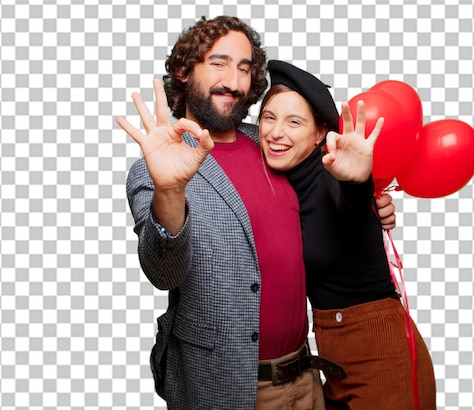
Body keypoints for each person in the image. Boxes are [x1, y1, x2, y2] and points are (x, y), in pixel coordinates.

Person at [116, 16, 396, 409]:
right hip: (226, 387)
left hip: (307, 378)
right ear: (183, 71)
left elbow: (330, 196)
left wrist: (368, 200)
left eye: (244, 68)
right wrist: (170, 189)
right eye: (219, 63)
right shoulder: (155, 167)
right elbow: (164, 272)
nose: (233, 80)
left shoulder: (270, 142)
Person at [257, 60, 436, 410]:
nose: (277, 133)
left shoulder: (331, 177)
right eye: (269, 118)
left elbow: (349, 206)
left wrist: (356, 183)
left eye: (294, 122)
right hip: (331, 357)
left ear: (320, 132)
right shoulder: (281, 183)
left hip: (380, 350)